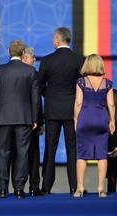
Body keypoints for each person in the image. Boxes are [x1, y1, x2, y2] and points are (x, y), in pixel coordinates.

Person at [0, 40, 39, 198]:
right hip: (24, 117)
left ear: (9, 52)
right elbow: (35, 99)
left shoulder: (0, 70)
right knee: (22, 153)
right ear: (23, 54)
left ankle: (2, 188)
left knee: (3, 152)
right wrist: (35, 118)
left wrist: (2, 101)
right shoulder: (30, 71)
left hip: (4, 116)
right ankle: (19, 188)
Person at [38, 27, 84, 194]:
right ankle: (75, 186)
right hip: (73, 111)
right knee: (73, 148)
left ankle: (46, 187)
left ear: (57, 40)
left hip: (52, 110)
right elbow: (83, 85)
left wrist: (48, 96)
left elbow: (40, 84)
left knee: (50, 148)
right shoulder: (79, 60)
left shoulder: (47, 60)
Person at [73, 54, 115, 198]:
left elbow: (78, 103)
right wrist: (112, 121)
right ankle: (101, 189)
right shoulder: (107, 83)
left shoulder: (81, 82)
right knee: (102, 155)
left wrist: (75, 119)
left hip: (85, 118)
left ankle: (79, 188)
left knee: (81, 155)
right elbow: (111, 104)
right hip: (101, 119)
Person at [21, 46, 45, 196]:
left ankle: (19, 186)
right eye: (33, 57)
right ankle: (34, 186)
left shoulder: (7, 70)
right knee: (33, 155)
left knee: (18, 154)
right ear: (25, 58)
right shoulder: (33, 73)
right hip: (31, 120)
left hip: (14, 120)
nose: (35, 59)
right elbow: (37, 100)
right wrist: (39, 121)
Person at [106, 89, 117, 192]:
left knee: (111, 173)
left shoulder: (104, 120)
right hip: (113, 151)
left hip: (108, 152)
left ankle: (111, 190)